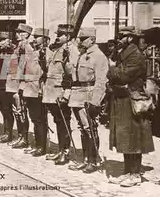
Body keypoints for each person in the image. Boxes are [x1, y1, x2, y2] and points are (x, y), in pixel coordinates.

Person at [107, 26, 155, 187]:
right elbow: (116, 76)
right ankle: (127, 172)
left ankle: (135, 174)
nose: (119, 38)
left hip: (133, 100)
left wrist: (113, 67)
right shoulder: (122, 54)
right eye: (119, 35)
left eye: (123, 35)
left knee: (134, 136)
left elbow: (123, 76)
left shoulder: (135, 55)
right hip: (123, 98)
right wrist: (114, 70)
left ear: (131, 38)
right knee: (124, 137)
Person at [68, 28, 109, 174]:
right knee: (82, 128)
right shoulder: (82, 55)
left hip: (89, 95)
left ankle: (94, 160)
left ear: (92, 39)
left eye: (84, 38)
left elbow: (101, 81)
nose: (80, 41)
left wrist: (95, 101)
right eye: (80, 38)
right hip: (78, 94)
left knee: (90, 128)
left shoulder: (98, 56)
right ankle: (86, 159)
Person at [43, 24, 79, 165]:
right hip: (53, 92)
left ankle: (65, 152)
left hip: (62, 92)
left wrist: (67, 94)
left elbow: (72, 75)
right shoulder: (59, 49)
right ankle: (60, 150)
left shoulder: (71, 51)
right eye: (57, 34)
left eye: (61, 34)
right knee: (59, 121)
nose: (57, 36)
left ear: (68, 36)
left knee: (64, 122)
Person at [22, 28, 50, 156]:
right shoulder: (34, 52)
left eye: (37, 37)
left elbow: (46, 72)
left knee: (40, 119)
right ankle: (37, 144)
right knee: (34, 118)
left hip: (38, 89)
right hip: (29, 89)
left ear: (44, 39)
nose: (34, 39)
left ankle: (42, 146)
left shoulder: (46, 53)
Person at [0, 31, 15, 143]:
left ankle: (8, 133)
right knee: (2, 109)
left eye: (2, 40)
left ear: (9, 41)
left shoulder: (12, 52)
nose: (0, 42)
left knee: (7, 109)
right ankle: (5, 132)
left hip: (6, 85)